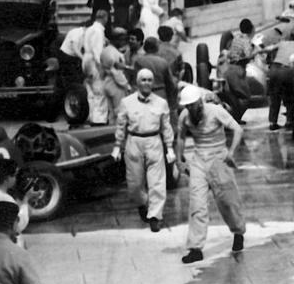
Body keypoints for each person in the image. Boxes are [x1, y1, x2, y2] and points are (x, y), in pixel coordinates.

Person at [176, 86, 247, 263]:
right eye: (188, 106)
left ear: (200, 102)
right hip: (199, 161)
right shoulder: (185, 116)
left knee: (228, 201)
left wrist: (231, 152)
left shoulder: (215, 111)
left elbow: (237, 129)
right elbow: (180, 137)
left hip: (218, 159)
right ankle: (195, 247)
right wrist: (179, 159)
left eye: (193, 105)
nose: (191, 109)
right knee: (197, 204)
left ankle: (238, 232)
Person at [113, 68, 175, 232]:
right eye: (143, 80)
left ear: (153, 83)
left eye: (149, 80)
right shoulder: (127, 102)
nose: (146, 83)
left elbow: (166, 127)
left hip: (154, 141)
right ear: (137, 83)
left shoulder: (161, 103)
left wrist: (169, 147)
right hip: (134, 142)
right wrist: (117, 146)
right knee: (134, 183)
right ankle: (142, 203)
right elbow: (121, 126)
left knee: (157, 182)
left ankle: (155, 216)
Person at [0, 158, 34, 238]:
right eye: (14, 175)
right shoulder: (6, 200)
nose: (16, 179)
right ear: (6, 179)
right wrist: (26, 200)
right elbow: (19, 226)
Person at [220, 19, 256, 123]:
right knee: (246, 97)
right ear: (251, 29)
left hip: (229, 69)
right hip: (237, 70)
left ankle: (234, 119)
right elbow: (248, 55)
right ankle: (235, 119)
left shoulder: (236, 38)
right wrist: (255, 50)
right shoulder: (246, 40)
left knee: (234, 97)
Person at [265, 33, 294, 131]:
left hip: (274, 69)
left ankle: (273, 123)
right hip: (287, 71)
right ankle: (289, 121)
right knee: (290, 96)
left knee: (274, 98)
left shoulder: (282, 43)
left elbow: (269, 49)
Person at [83, 10, 109, 124]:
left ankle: (91, 115)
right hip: (93, 61)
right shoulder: (98, 31)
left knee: (90, 91)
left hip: (86, 59)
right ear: (105, 18)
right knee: (99, 89)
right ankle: (99, 118)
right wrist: (101, 66)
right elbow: (97, 50)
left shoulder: (89, 29)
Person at [101, 27, 132, 121]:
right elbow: (117, 73)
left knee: (111, 113)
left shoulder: (106, 50)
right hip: (116, 84)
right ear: (117, 39)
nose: (124, 42)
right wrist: (126, 85)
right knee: (120, 112)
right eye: (122, 39)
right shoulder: (113, 53)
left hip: (106, 82)